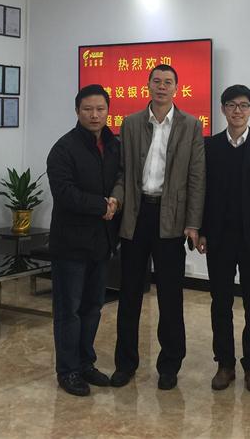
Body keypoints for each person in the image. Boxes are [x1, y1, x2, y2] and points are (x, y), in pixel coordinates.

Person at [109, 64, 205, 391]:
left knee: (170, 296)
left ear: (177, 88)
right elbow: (122, 172)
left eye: (168, 82)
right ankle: (125, 364)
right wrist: (117, 200)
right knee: (129, 294)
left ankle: (169, 365)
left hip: (171, 219)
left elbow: (197, 178)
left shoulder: (191, 125)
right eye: (157, 81)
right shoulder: (131, 123)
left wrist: (193, 223)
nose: (162, 87)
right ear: (147, 85)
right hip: (136, 216)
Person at [197, 84, 250, 394]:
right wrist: (201, 230)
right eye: (231, 105)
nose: (237, 110)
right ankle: (225, 364)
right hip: (218, 237)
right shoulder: (209, 146)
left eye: (243, 105)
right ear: (222, 109)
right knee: (220, 302)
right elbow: (201, 191)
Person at [46, 84, 121, 397]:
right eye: (88, 109)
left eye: (100, 109)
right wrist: (102, 206)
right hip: (71, 245)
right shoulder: (63, 149)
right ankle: (68, 370)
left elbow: (121, 179)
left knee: (93, 308)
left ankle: (85, 362)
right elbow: (65, 193)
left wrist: (115, 201)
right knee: (69, 311)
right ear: (77, 111)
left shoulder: (114, 145)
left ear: (108, 111)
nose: (94, 115)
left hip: (101, 243)